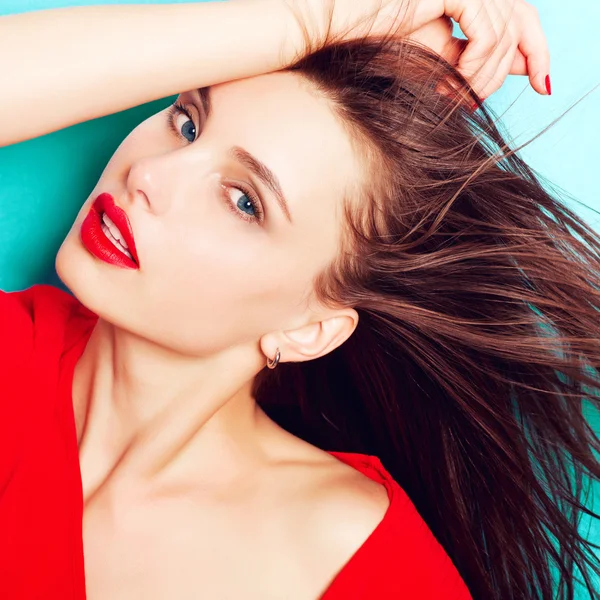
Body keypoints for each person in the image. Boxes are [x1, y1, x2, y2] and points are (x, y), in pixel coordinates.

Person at [0, 0, 598, 599]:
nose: (150, 175)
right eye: (187, 122)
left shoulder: (359, 566)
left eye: (244, 202)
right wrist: (322, 17)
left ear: (310, 329)